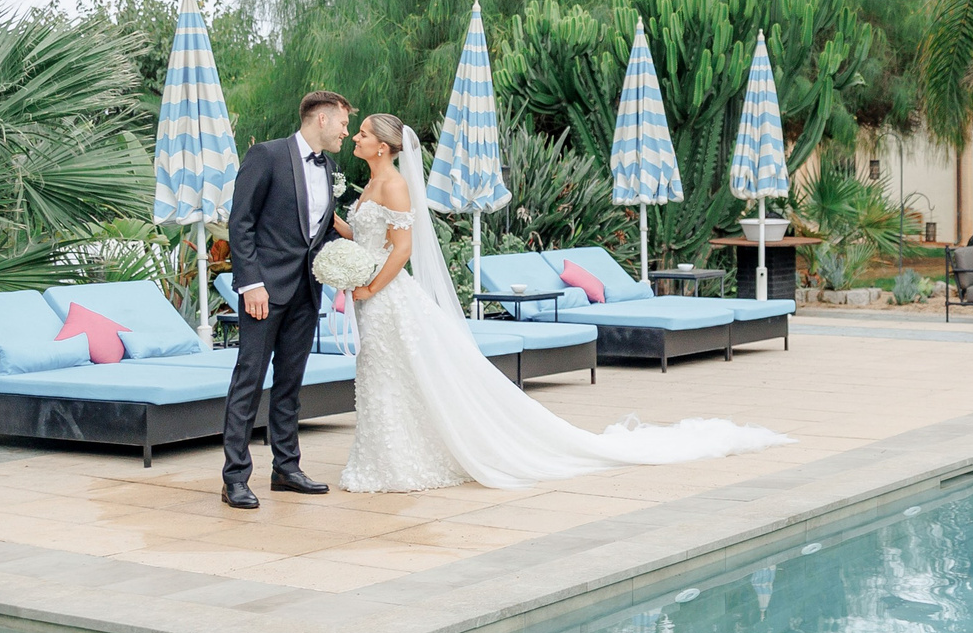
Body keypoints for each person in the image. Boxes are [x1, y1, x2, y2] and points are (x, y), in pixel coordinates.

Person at [339, 112, 791, 493]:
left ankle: (400, 462)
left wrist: (370, 288)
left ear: (384, 146)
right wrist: (333, 233)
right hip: (371, 294)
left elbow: (402, 249)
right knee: (385, 375)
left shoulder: (394, 184)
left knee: (392, 373)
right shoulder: (372, 183)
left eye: (362, 133)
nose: (356, 138)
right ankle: (386, 457)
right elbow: (365, 236)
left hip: (386, 296)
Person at [221, 91, 353, 509]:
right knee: (248, 381)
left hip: (306, 291)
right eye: (343, 124)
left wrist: (347, 260)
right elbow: (240, 223)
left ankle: (286, 468)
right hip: (264, 291)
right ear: (321, 119)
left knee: (290, 384)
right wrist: (250, 284)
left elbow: (318, 232)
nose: (346, 133)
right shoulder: (267, 155)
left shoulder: (330, 168)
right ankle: (234, 478)